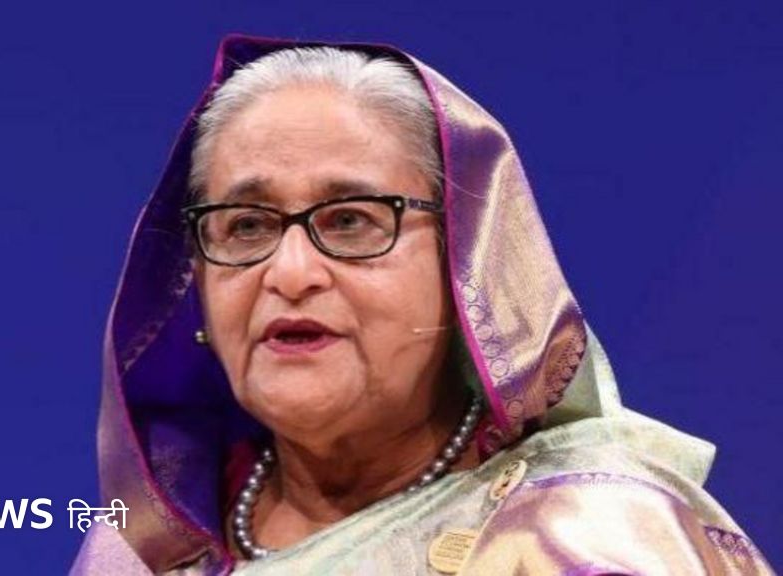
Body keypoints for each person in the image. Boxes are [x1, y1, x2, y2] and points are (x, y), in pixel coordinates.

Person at [70, 35, 774, 575]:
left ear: (466, 262)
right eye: (246, 226)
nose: (290, 272)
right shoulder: (148, 549)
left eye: (351, 220)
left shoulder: (581, 535)